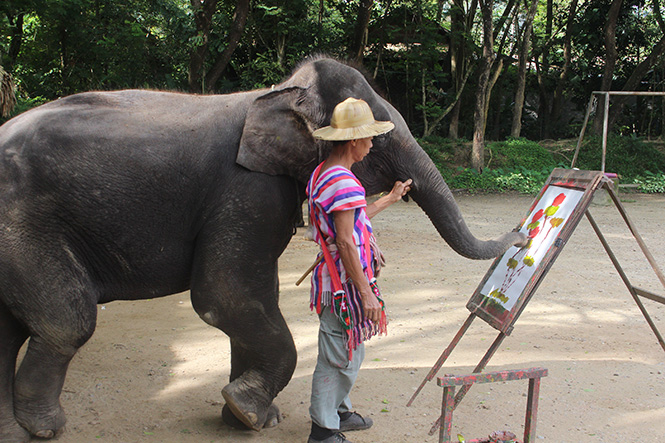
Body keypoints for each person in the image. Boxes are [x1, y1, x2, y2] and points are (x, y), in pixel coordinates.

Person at [306, 97, 412, 443]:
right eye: (369, 138)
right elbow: (347, 242)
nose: (371, 144)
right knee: (339, 353)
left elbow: (352, 221)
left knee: (345, 346)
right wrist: (365, 291)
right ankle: (323, 430)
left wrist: (389, 198)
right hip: (344, 284)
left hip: (335, 278)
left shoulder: (324, 173)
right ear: (353, 141)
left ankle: (339, 411)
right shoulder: (345, 182)